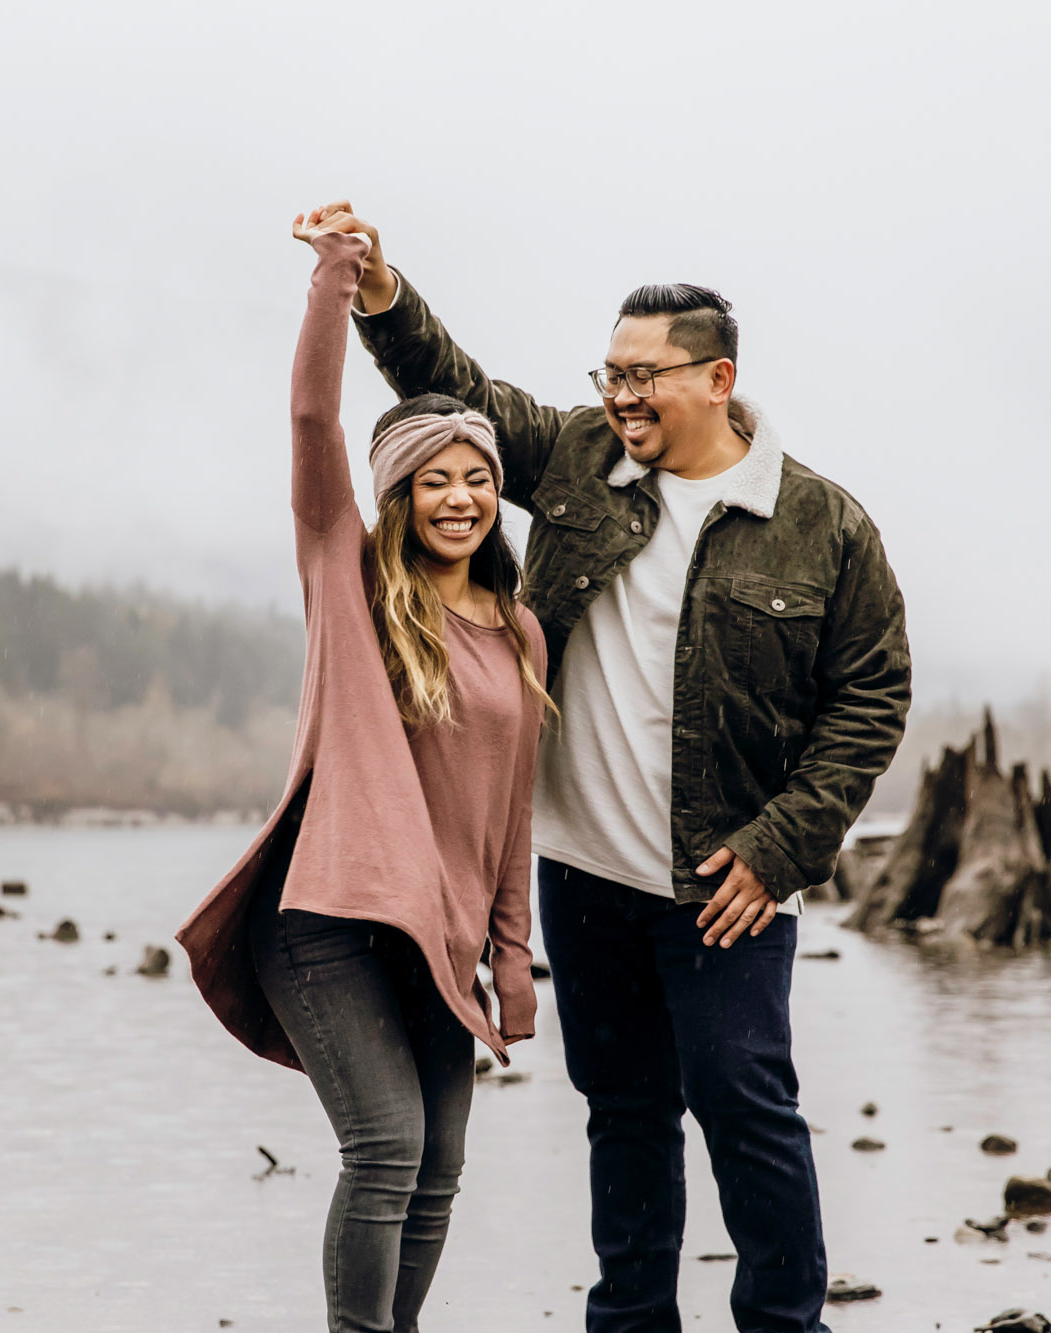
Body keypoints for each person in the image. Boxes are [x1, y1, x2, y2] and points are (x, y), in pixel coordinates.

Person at [313, 200, 912, 1333]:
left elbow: (869, 699)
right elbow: (462, 393)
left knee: (746, 1105)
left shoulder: (820, 524)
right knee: (622, 1110)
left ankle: (785, 1323)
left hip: (726, 882)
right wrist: (383, 298)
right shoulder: (580, 463)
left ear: (717, 378)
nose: (620, 395)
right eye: (609, 371)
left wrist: (783, 845)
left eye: (645, 375)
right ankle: (630, 1322)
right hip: (584, 873)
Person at [173, 212, 551, 1333]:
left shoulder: (518, 629)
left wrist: (513, 958)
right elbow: (309, 416)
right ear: (395, 494)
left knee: (438, 1165)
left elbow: (510, 811)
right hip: (329, 916)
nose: (457, 497)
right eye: (432, 479)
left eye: (476, 477)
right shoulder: (346, 577)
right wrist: (337, 282)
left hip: (436, 934)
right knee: (384, 1146)